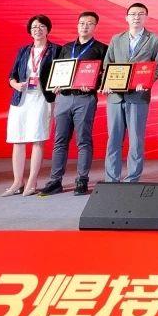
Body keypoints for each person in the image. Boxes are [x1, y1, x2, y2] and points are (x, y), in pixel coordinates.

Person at [38, 11, 106, 197]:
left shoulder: (101, 49)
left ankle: (82, 180)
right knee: (60, 141)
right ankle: (55, 181)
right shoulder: (66, 48)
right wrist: (55, 85)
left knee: (83, 140)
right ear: (77, 25)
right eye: (82, 23)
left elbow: (105, 75)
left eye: (89, 23)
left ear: (95, 26)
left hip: (85, 98)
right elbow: (57, 70)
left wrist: (94, 85)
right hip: (64, 98)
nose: (85, 26)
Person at [101, 2, 158, 184]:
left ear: (146, 17)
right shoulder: (116, 39)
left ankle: (132, 179)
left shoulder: (154, 39)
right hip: (115, 97)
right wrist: (107, 83)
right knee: (114, 139)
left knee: (136, 140)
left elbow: (157, 67)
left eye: (140, 14)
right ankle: (111, 179)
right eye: (133, 14)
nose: (136, 17)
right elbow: (107, 64)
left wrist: (146, 83)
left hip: (138, 96)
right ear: (126, 18)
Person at [4, 14, 59, 196]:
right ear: (30, 31)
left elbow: (63, 72)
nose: (38, 29)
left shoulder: (55, 50)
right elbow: (11, 75)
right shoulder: (23, 50)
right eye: (34, 27)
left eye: (41, 26)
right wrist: (15, 84)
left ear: (48, 29)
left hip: (41, 98)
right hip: (21, 99)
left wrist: (59, 85)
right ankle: (17, 182)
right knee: (18, 140)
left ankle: (32, 181)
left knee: (38, 139)